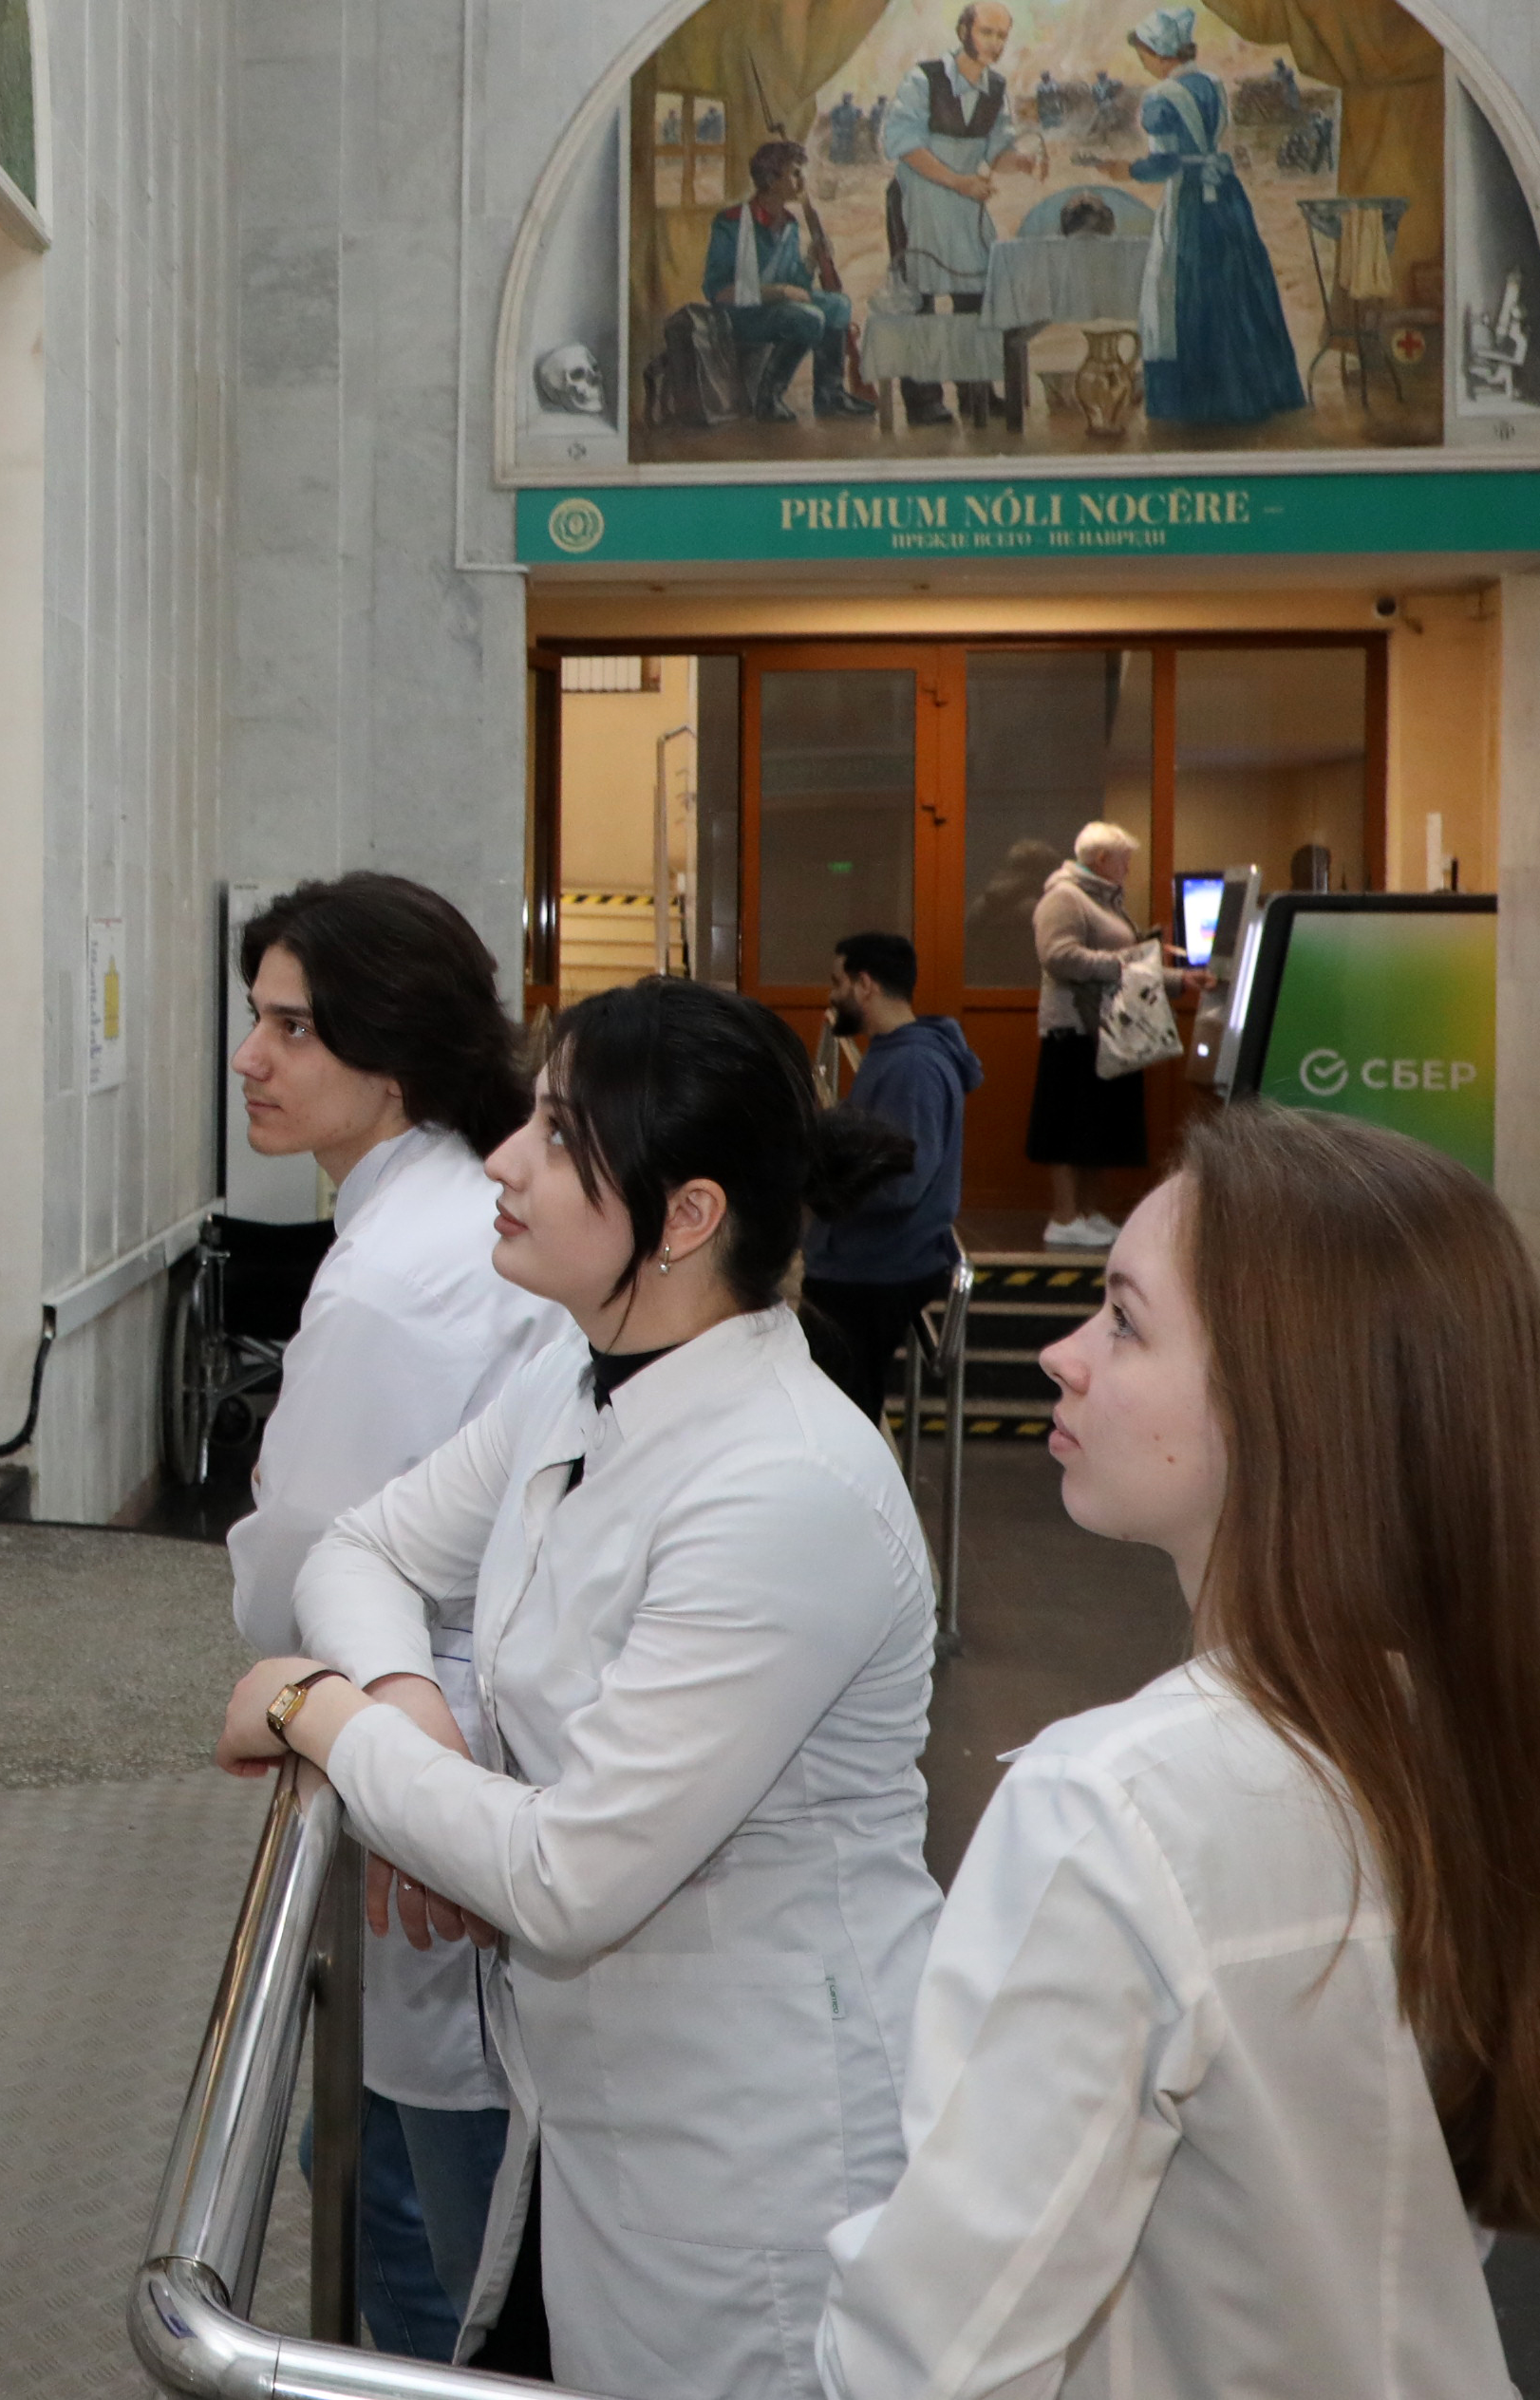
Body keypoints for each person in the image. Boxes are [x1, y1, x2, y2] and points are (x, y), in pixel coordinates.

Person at [816, 1108, 1540, 2393]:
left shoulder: (1117, 1807)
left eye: (1124, 1321)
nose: (1062, 1355)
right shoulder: (1467, 1733)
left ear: (1287, 1403)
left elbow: (933, 2358)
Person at [222, 976, 934, 2399]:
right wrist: (410, 1705)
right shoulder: (581, 1375)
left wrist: (323, 1716)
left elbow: (565, 1880)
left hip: (756, 2161)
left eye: (557, 1134)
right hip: (595, 2107)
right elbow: (363, 1548)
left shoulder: (784, 1486)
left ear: (685, 1217)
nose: (501, 1159)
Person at [218, 875, 561, 2362]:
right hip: (451, 1728)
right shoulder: (451, 1214)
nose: (252, 1057)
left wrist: (306, 1626)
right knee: (375, 2169)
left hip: (444, 1779)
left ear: (395, 1052)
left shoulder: (391, 1284)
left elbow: (295, 1568)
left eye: (295, 1028)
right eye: (255, 1019)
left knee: (429, 2234)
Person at [801, 932, 980, 1424]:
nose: (831, 996)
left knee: (841, 1415)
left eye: (837, 983)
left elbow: (902, 1181)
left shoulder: (913, 1066)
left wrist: (817, 1188)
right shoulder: (893, 1054)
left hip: (872, 1270)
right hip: (858, 1262)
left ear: (865, 985)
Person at [1121, 6, 1309, 427]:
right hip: (1225, 197)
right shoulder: (1212, 84)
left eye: (1144, 54)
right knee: (1237, 288)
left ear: (1159, 53)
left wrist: (1125, 170)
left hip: (1190, 201)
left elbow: (1164, 163)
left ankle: (1197, 403)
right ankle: (1255, 392)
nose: (1143, 62)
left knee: (1187, 290)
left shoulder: (1161, 98)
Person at [879, 2, 1027, 425]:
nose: (995, 43)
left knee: (976, 296)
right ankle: (923, 400)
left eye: (1002, 36)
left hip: (964, 203)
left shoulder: (996, 88)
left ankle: (976, 392)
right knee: (918, 299)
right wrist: (958, 181)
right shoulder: (924, 79)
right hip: (917, 198)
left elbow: (997, 150)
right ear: (964, 31)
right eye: (987, 32)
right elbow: (903, 144)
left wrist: (1023, 162)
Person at [1027, 821, 1145, 1248]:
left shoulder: (1103, 900)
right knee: (1068, 1124)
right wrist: (1126, 962)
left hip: (1107, 1028)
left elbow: (1115, 956)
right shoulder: (1065, 897)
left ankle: (1088, 1212)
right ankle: (1064, 1215)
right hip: (1074, 1028)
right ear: (1101, 859)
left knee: (1097, 1126)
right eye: (1124, 861)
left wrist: (1150, 962)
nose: (1128, 869)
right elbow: (1059, 956)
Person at [702, 143, 874, 422]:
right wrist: (780, 291)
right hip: (741, 314)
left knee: (839, 305)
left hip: (777, 309)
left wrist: (811, 261)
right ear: (771, 180)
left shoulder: (790, 224)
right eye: (794, 173)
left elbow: (796, 286)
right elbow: (718, 291)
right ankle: (768, 398)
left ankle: (829, 395)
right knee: (808, 318)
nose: (802, 181)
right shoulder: (730, 223)